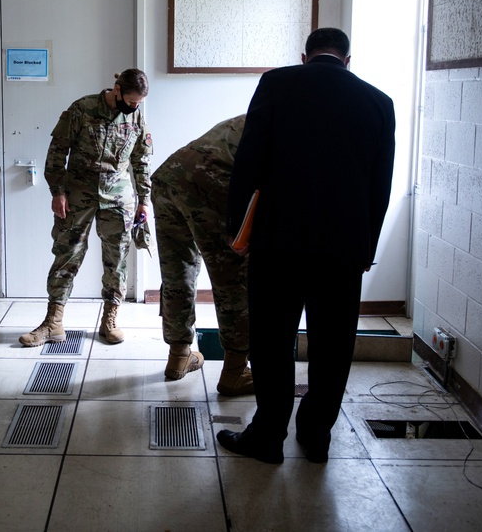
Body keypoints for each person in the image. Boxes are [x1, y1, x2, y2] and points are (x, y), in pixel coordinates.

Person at [217, 28, 395, 464]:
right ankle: (316, 437)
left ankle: (268, 437)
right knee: (334, 346)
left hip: (280, 242)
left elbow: (248, 161)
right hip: (343, 249)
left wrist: (236, 230)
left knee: (272, 341)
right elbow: (380, 184)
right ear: (348, 60)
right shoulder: (379, 102)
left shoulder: (277, 84)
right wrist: (366, 246)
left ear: (304, 55)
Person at [19, 69, 153, 347]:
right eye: (131, 101)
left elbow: (141, 160)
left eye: (138, 103)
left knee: (116, 258)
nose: (134, 107)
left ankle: (110, 319)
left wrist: (144, 200)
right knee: (67, 254)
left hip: (118, 197)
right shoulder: (82, 109)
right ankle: (53, 322)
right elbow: (57, 150)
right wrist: (58, 191)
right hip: (78, 192)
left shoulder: (137, 115)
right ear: (117, 90)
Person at [152, 115, 254, 396]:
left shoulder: (254, 114)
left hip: (168, 177)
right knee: (233, 277)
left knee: (176, 271)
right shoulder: (289, 124)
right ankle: (235, 372)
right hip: (208, 181)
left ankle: (179, 357)